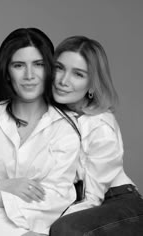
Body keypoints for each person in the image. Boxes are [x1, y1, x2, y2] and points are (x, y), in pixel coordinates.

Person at [0, 28, 80, 236]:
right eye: (19, 65)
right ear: (7, 71)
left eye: (38, 65)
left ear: (50, 69)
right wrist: (9, 188)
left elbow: (56, 199)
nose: (29, 76)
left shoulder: (65, 129)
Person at [49, 36, 143, 235]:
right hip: (78, 202)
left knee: (64, 229)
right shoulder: (52, 117)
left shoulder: (101, 126)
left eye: (78, 74)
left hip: (118, 202)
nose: (63, 81)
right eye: (59, 68)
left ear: (92, 85)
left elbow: (91, 198)